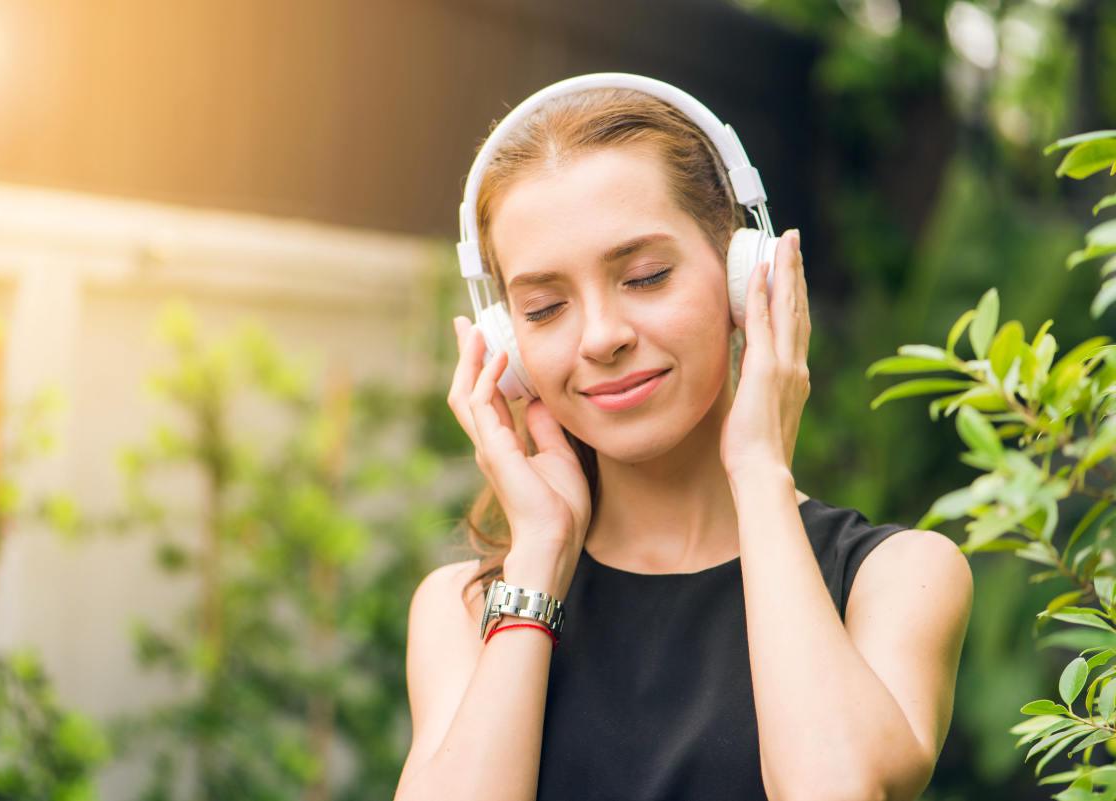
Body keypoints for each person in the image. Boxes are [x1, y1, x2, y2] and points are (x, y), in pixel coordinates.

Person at [393, 78, 973, 801]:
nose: (602, 336)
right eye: (544, 308)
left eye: (645, 276)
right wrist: (539, 558)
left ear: (745, 276)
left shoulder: (894, 578)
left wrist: (760, 472)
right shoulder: (465, 608)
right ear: (505, 344)